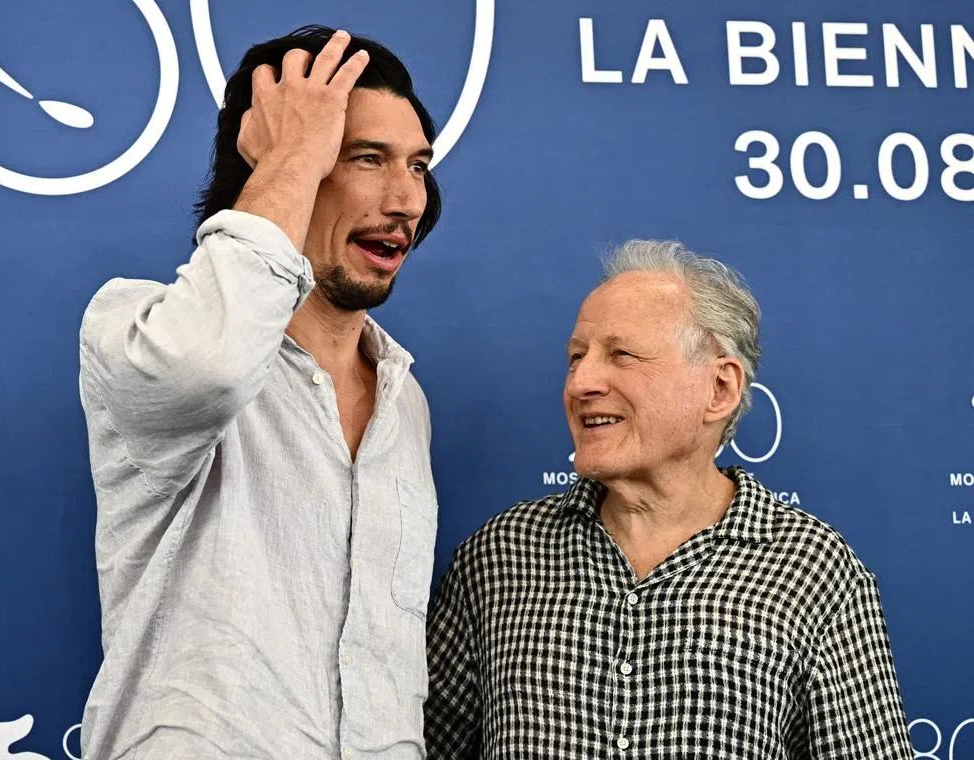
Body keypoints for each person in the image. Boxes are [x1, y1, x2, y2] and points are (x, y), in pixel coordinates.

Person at [78, 26, 442, 760]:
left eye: (419, 166)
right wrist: (294, 153)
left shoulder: (406, 397)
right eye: (366, 158)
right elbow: (207, 365)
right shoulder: (136, 329)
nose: (407, 199)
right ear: (276, 159)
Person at [425, 241, 913, 759]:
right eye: (576, 358)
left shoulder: (813, 574)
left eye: (621, 355)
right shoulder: (499, 557)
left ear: (719, 389)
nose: (581, 383)